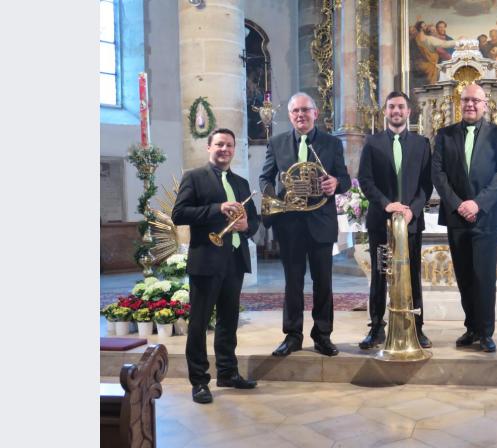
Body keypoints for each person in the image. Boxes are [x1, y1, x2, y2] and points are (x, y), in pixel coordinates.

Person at [259, 92, 351, 357]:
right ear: (290, 116)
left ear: (315, 113)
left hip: (321, 221)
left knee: (323, 282)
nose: (300, 115)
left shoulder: (331, 144)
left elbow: (344, 178)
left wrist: (335, 183)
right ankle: (293, 335)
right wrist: (275, 197)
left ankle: (322, 335)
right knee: (292, 283)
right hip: (289, 223)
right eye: (295, 111)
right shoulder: (276, 143)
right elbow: (265, 177)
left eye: (305, 110)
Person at [172, 127, 260, 404]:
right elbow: (179, 214)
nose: (225, 149)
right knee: (198, 324)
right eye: (219, 144)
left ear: (234, 150)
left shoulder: (242, 183)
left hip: (234, 261)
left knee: (228, 321)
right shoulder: (194, 177)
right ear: (209, 148)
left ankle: (227, 372)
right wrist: (217, 209)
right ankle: (199, 381)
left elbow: (254, 221)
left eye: (229, 146)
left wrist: (247, 226)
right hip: (206, 261)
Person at [431, 83, 497, 353]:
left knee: (484, 276)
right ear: (459, 102)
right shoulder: (444, 135)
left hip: (486, 216)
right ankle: (471, 327)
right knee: (464, 275)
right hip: (457, 217)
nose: (470, 104)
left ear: (485, 103)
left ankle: (486, 332)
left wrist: (477, 204)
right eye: (465, 100)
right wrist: (458, 204)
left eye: (475, 100)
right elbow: (438, 174)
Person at [357, 91, 433, 349]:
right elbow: (365, 180)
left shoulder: (422, 144)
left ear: (409, 111)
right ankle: (377, 328)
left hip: (410, 223)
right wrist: (386, 204)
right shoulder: (372, 142)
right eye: (391, 107)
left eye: (401, 106)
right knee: (379, 276)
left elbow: (426, 185)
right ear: (385, 111)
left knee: (412, 276)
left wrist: (413, 209)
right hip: (381, 222)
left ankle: (417, 328)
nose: (396, 111)